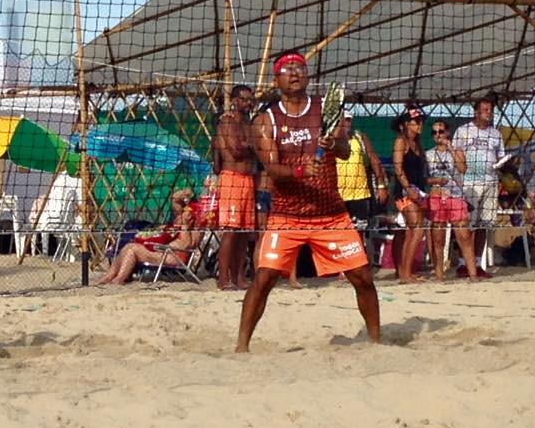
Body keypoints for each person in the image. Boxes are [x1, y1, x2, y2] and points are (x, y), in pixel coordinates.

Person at [236, 52, 380, 352]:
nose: (294, 73)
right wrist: (300, 171)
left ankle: (377, 342)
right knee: (264, 278)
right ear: (276, 80)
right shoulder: (265, 120)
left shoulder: (324, 109)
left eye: (299, 68)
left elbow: (344, 151)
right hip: (287, 215)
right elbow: (271, 168)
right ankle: (241, 347)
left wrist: (334, 143)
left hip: (330, 212)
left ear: (307, 75)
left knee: (363, 277)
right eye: (287, 70)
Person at [96, 189, 202, 285]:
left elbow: (186, 245)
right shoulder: (180, 218)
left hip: (174, 257)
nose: (182, 214)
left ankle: (118, 280)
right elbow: (175, 201)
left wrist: (185, 226)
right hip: (163, 251)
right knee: (129, 246)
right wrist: (181, 194)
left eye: (186, 213)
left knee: (133, 249)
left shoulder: (195, 227)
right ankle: (109, 276)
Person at [452, 96, 505, 278]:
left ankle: (477, 263)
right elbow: (456, 155)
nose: (489, 113)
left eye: (491, 110)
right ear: (476, 112)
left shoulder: (496, 134)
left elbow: (500, 157)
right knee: (468, 225)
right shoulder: (463, 131)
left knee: (484, 224)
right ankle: (462, 264)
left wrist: (504, 165)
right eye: (485, 110)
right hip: (469, 184)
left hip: (490, 182)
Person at [212, 84, 256, 290]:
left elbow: (252, 148)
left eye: (250, 100)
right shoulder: (227, 122)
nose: (248, 103)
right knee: (230, 231)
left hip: (248, 179)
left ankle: (239, 277)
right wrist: (251, 146)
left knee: (244, 232)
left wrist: (249, 146)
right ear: (235, 100)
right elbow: (237, 150)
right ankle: (223, 279)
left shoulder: (248, 124)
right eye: (244, 99)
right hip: (232, 179)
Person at [426, 119, 479, 281]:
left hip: (455, 196)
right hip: (437, 196)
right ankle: (439, 275)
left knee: (464, 236)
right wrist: (435, 181)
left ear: (447, 133)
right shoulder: (428, 154)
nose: (438, 135)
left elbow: (463, 169)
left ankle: (473, 274)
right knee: (438, 238)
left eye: (441, 131)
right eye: (434, 132)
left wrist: (450, 147)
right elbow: (424, 178)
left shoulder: (457, 151)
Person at [391, 104, 429, 283]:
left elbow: (419, 173)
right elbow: (397, 168)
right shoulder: (401, 141)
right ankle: (405, 274)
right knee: (417, 229)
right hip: (405, 192)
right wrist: (408, 189)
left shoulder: (418, 144)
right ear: (406, 124)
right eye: (416, 121)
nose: (420, 124)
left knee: (411, 232)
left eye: (421, 121)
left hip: (418, 191)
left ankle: (405, 272)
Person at [336, 111, 388, 228]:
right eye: (342, 120)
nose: (345, 123)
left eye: (348, 120)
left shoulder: (359, 137)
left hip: (359, 195)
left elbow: (375, 161)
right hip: (338, 196)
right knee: (339, 232)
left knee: (360, 231)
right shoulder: (330, 140)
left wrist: (381, 186)